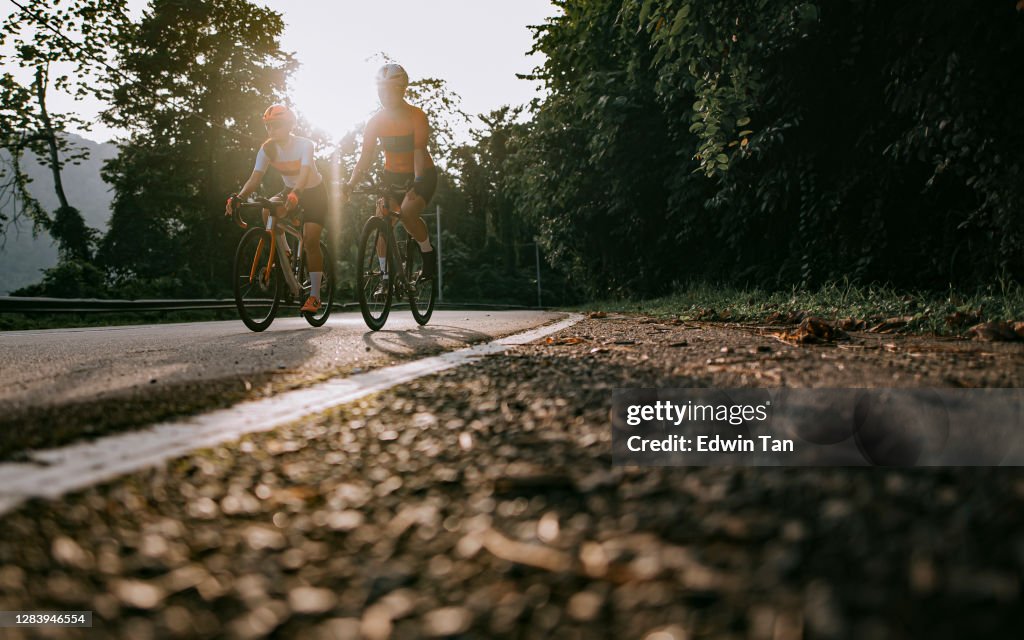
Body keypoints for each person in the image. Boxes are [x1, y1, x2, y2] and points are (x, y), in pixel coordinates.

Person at [226, 104, 328, 313]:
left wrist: (296, 194)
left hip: (313, 192)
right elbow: (255, 178)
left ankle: (315, 296)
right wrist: (239, 197)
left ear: (290, 125)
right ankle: (287, 254)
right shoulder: (267, 148)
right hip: (290, 189)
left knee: (310, 240)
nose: (272, 130)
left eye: (277, 125)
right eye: (268, 126)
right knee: (267, 210)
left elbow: (305, 172)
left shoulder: (304, 144)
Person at [343, 63, 438, 283]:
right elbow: (365, 157)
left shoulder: (416, 116)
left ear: (402, 89)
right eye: (381, 90)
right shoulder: (375, 121)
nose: (385, 95)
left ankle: (427, 253)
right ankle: (386, 275)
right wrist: (350, 184)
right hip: (392, 175)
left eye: (390, 90)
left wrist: (417, 181)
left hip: (422, 172)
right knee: (381, 220)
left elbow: (418, 151)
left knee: (406, 214)